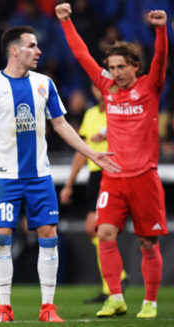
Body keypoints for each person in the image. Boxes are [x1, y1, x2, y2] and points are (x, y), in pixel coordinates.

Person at [0, 25, 120, 323]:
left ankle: (48, 307)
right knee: (2, 237)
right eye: (32, 46)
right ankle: (4, 308)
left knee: (49, 234)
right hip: (5, 178)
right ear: (14, 50)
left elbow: (60, 125)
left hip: (39, 177)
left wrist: (91, 153)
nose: (39, 51)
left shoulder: (45, 83)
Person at [56, 3, 168, 319]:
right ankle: (115, 297)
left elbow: (160, 60)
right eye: (111, 67)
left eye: (121, 67)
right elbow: (82, 56)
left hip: (144, 176)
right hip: (113, 177)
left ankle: (150, 302)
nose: (115, 73)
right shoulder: (107, 89)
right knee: (104, 233)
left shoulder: (150, 86)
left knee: (147, 242)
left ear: (135, 66)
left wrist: (160, 29)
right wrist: (66, 22)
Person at [60, 85, 128, 303]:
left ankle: (115, 283)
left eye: (104, 87)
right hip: (95, 176)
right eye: (96, 87)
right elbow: (82, 151)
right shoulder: (90, 114)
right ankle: (114, 282)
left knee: (99, 228)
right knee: (94, 229)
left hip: (116, 172)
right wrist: (70, 183)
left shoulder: (121, 110)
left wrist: (108, 134)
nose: (99, 91)